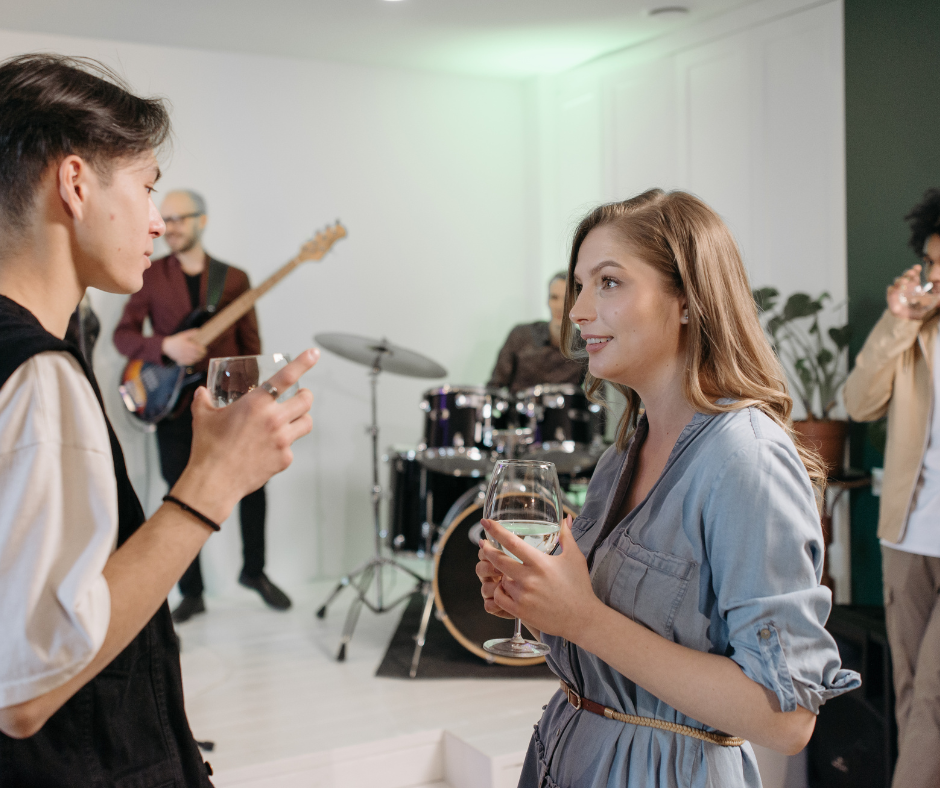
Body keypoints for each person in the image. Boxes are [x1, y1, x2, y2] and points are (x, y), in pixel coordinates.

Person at [0, 53, 317, 785]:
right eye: (147, 189)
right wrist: (209, 484)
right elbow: (28, 688)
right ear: (76, 184)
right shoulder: (38, 376)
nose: (155, 223)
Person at [476, 189, 859, 787]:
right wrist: (541, 606)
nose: (577, 312)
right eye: (579, 286)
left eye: (608, 283)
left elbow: (786, 722)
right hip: (567, 756)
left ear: (686, 301)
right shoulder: (624, 454)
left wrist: (581, 619)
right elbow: (614, 644)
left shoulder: (745, 459)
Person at [114, 189, 290, 623]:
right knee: (178, 493)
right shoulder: (150, 275)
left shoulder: (234, 279)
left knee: (254, 487)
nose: (167, 227)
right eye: (165, 219)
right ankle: (191, 592)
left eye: (178, 219)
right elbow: (124, 336)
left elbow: (251, 344)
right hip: (174, 406)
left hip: (230, 403)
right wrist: (165, 344)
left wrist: (261, 395)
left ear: (202, 221)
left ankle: (255, 571)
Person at [843, 188, 940, 788]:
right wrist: (897, 322)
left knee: (931, 695)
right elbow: (858, 401)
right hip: (908, 534)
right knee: (910, 694)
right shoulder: (913, 332)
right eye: (933, 263)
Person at [488, 271, 585, 394]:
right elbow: (494, 387)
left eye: (566, 298)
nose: (559, 306)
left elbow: (597, 399)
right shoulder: (521, 335)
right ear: (547, 301)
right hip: (517, 411)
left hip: (562, 412)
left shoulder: (584, 347)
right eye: (554, 297)